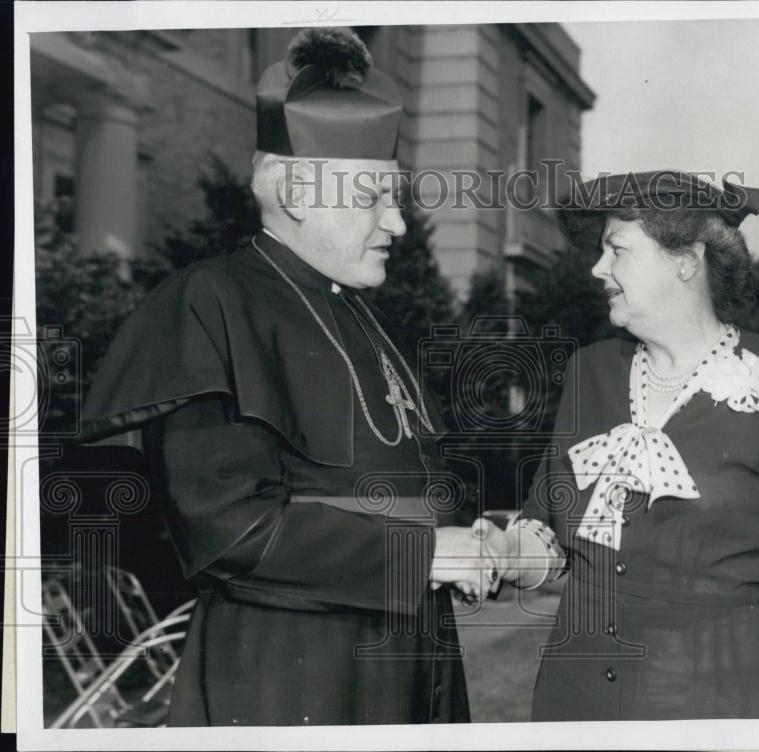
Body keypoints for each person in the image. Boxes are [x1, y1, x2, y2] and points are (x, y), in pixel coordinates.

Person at [78, 28, 497, 726]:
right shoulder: (210, 303)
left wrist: (466, 546)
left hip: (414, 649)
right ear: (298, 190)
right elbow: (229, 532)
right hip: (291, 671)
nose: (397, 222)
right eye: (375, 199)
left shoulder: (361, 313)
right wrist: (424, 555)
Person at [474, 171, 759, 720]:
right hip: (572, 702)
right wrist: (504, 552)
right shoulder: (591, 372)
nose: (597, 269)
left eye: (617, 250)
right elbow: (552, 533)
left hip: (720, 705)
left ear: (685, 261)